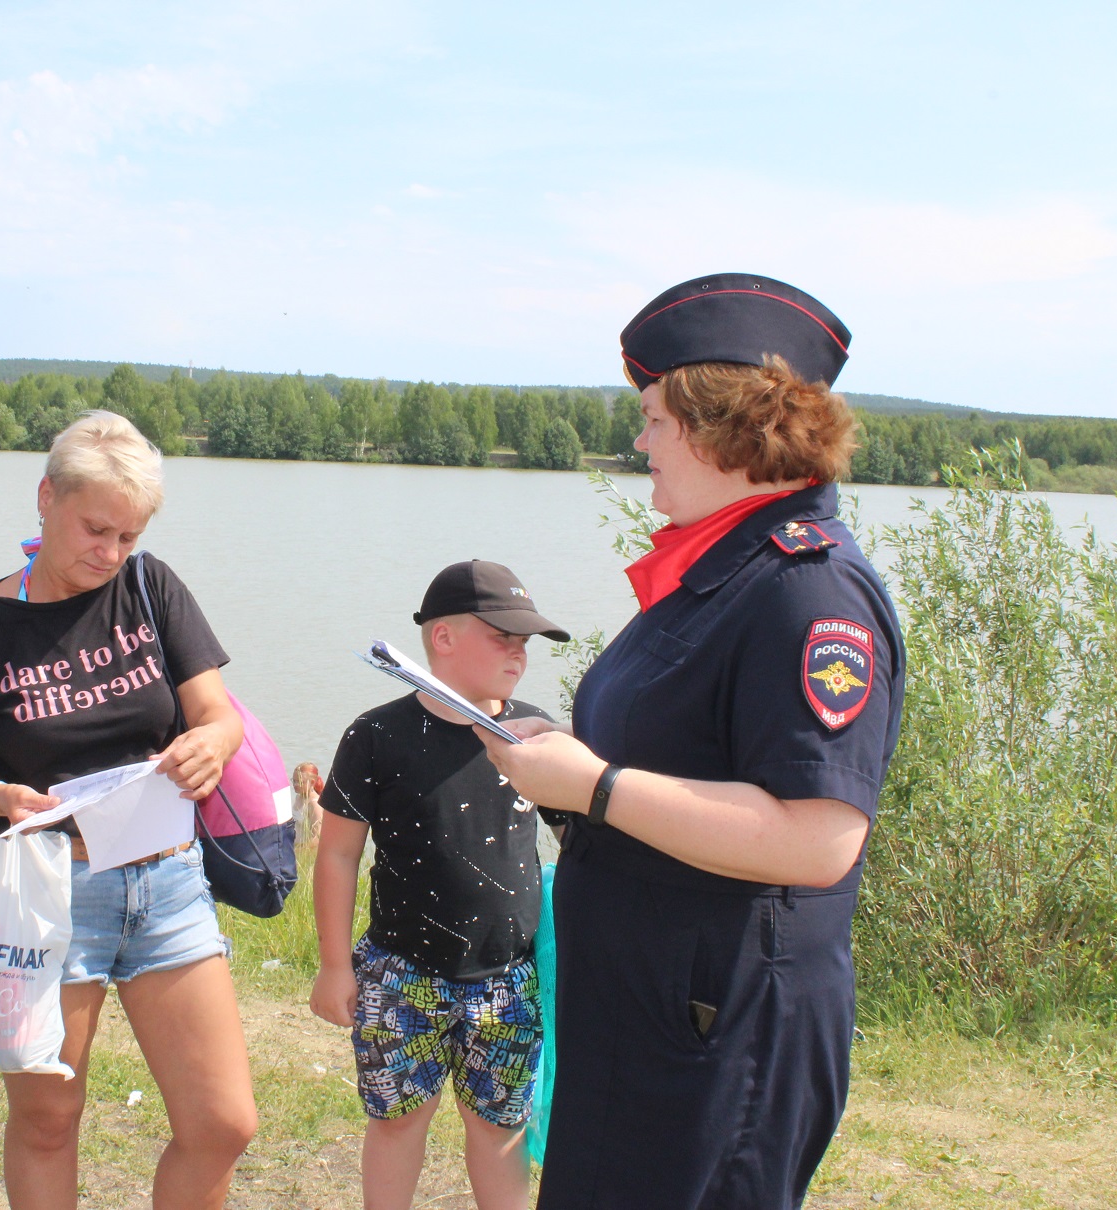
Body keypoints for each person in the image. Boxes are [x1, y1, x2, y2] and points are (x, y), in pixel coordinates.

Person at [476, 273, 906, 1210]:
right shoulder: (727, 569)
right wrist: (564, 765)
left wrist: (592, 786)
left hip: (719, 1024)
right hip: (653, 1007)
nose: (639, 444)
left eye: (653, 420)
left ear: (725, 429)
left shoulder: (807, 590)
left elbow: (816, 836)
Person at [0, 410, 256, 1210]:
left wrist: (214, 742)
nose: (109, 554)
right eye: (95, 529)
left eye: (126, 537)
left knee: (222, 1123)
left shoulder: (150, 587)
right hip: (45, 891)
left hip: (166, 884)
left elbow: (219, 713)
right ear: (45, 498)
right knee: (47, 1120)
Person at [311, 561, 571, 1210]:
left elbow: (583, 844)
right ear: (442, 639)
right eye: (501, 635)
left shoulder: (535, 735)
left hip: (507, 976)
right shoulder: (375, 735)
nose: (518, 650)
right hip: (399, 972)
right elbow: (338, 854)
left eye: (525, 640)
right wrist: (333, 966)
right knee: (398, 1121)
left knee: (500, 1128)